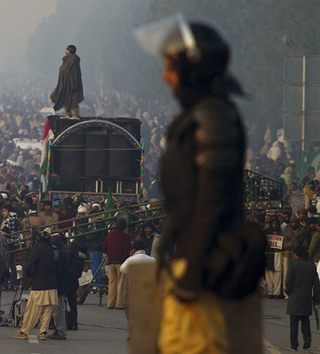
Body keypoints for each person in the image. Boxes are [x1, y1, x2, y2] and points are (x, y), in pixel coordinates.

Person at [135, 14, 264, 352]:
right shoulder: (200, 116)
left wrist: (192, 274)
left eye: (170, 68)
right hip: (192, 261)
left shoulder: (213, 117)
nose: (164, 77)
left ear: (192, 69)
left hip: (204, 267)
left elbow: (210, 201)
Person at [11, 228, 58, 341]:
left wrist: (29, 276)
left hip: (39, 284)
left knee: (32, 311)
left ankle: (24, 331)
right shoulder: (54, 250)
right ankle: (44, 332)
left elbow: (28, 265)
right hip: (52, 284)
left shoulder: (37, 249)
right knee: (47, 310)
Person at [285, 246, 320, 350]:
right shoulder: (311, 266)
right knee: (305, 320)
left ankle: (294, 344)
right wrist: (316, 298)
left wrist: (287, 291)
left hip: (294, 299)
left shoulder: (292, 266)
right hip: (306, 298)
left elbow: (288, 282)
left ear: (296, 255)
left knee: (294, 322)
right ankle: (307, 338)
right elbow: (316, 284)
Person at [103, 218, 132, 309]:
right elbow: (127, 250)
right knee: (121, 284)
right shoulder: (125, 236)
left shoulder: (110, 235)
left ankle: (110, 303)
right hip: (121, 262)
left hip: (111, 261)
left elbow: (104, 248)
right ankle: (119, 303)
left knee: (112, 283)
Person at [50, 44, 84, 119]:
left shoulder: (74, 59)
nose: (65, 51)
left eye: (67, 49)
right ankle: (68, 114)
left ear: (70, 51)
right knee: (65, 98)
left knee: (73, 100)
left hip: (72, 85)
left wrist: (73, 83)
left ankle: (74, 115)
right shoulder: (66, 59)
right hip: (65, 84)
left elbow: (74, 73)